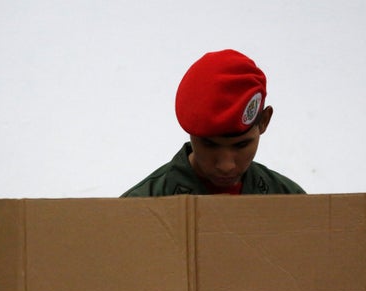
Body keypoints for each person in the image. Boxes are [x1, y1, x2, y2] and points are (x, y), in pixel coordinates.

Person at [121, 49, 305, 197]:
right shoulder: (136, 210)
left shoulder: (293, 203)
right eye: (209, 144)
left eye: (241, 145)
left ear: (264, 122)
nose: (226, 166)